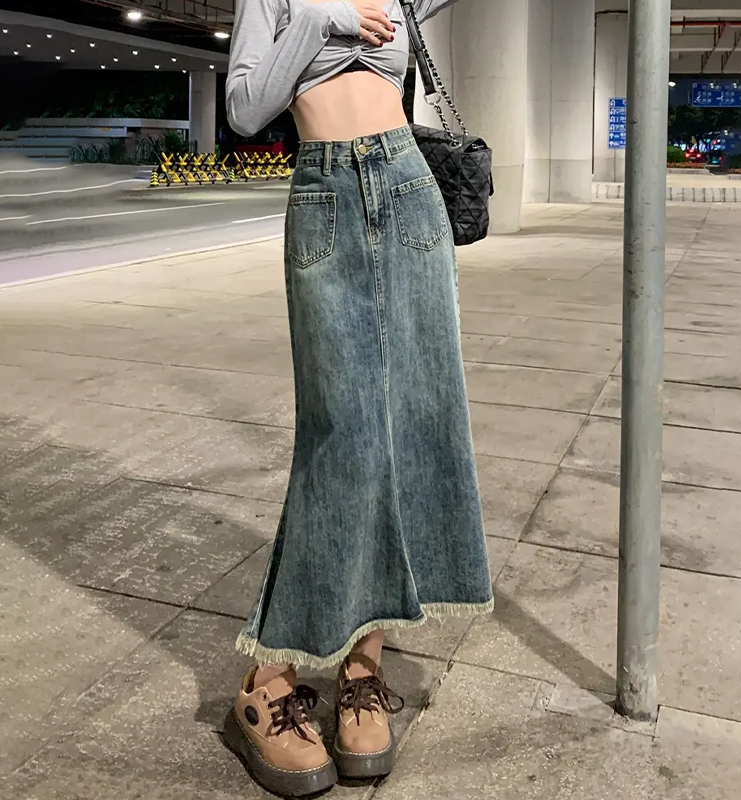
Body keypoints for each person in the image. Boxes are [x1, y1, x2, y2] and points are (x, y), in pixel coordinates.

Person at [223, 1, 493, 796]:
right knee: (341, 433)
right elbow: (244, 109)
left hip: (410, 189)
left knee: (418, 421)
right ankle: (267, 679)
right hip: (325, 194)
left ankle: (363, 667)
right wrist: (326, 20)